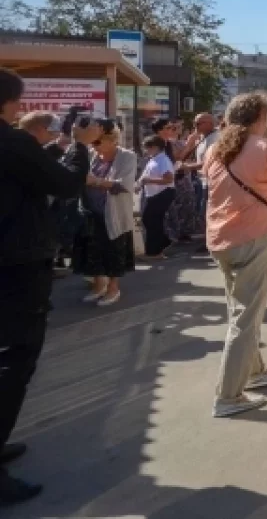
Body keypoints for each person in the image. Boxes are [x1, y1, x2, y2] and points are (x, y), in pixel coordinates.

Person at [0, 68, 98, 505]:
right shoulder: (12, 142)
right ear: (10, 103)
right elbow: (65, 183)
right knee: (14, 360)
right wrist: (80, 145)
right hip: (15, 267)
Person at [203, 92, 267, 418]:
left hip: (220, 239)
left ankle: (255, 371)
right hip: (254, 239)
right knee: (245, 319)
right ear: (261, 117)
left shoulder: (215, 149)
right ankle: (228, 396)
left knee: (241, 311)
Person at [77, 119, 137, 307]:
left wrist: (95, 181)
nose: (94, 146)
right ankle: (98, 286)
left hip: (114, 214)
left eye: (97, 142)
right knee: (93, 251)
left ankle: (113, 288)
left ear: (112, 140)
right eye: (92, 142)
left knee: (113, 252)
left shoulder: (127, 156)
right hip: (91, 212)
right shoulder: (91, 155)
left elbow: (124, 185)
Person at [18, 112, 80, 278]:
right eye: (52, 130)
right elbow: (65, 181)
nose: (55, 134)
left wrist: (58, 146)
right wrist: (79, 148)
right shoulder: (22, 148)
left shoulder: (23, 146)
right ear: (39, 129)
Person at [138, 135, 176, 259]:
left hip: (162, 193)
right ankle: (160, 245)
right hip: (155, 194)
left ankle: (154, 251)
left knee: (150, 220)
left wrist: (149, 180)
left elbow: (168, 179)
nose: (146, 151)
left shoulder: (163, 160)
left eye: (147, 148)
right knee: (152, 220)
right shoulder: (154, 159)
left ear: (155, 147)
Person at [186, 113, 219, 254]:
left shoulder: (215, 139)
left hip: (211, 181)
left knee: (206, 211)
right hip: (203, 180)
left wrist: (188, 167)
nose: (195, 126)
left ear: (210, 123)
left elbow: (209, 162)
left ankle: (210, 242)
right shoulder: (202, 138)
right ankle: (208, 240)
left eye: (199, 123)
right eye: (195, 123)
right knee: (203, 211)